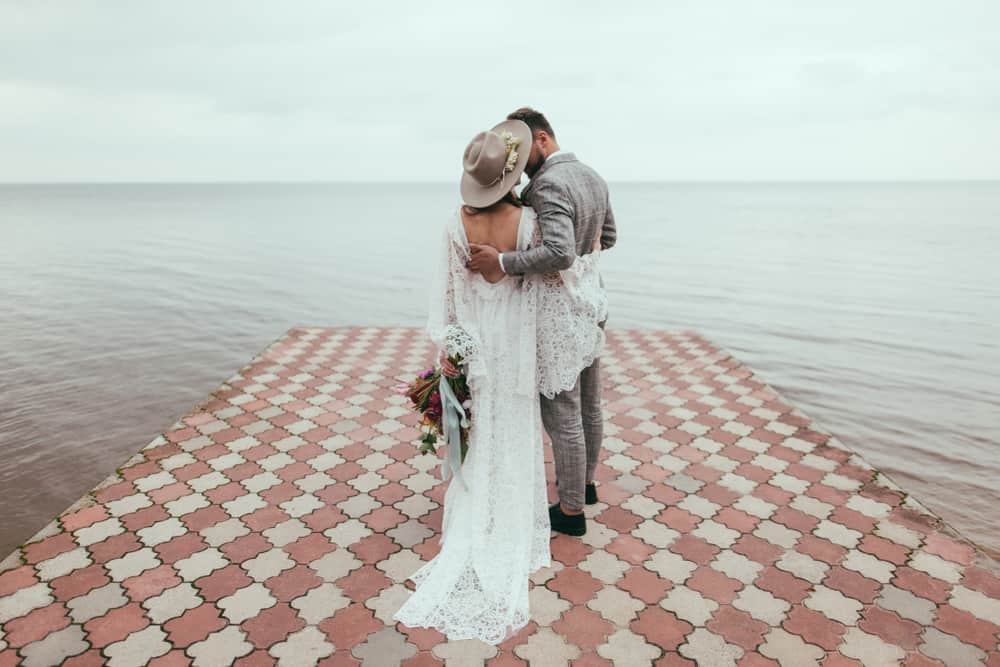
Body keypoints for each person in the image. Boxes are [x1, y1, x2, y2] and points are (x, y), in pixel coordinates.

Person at [393, 118, 606, 644]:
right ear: (512, 172)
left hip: (475, 342)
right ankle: (523, 511)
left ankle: (478, 510)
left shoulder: (451, 225)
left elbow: (445, 300)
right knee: (521, 428)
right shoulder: (531, 222)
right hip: (517, 343)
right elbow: (548, 283)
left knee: (482, 428)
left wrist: (452, 352)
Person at [466, 107, 616, 537]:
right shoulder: (592, 176)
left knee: (563, 413)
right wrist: (581, 266)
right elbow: (607, 238)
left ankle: (570, 513)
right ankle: (584, 485)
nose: (516, 165)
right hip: (594, 304)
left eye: (522, 150)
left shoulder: (547, 185)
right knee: (591, 403)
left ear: (543, 139)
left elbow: (560, 251)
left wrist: (502, 261)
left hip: (560, 314)